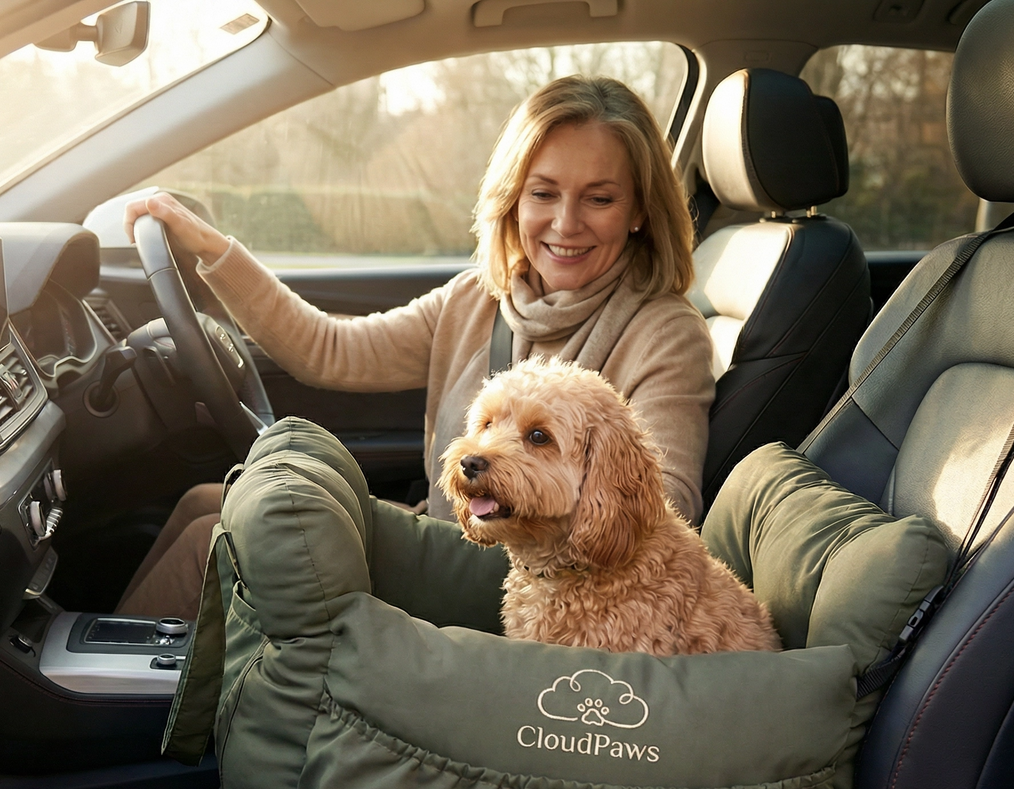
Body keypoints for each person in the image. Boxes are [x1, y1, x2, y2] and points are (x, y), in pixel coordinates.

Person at [117, 74, 716, 619]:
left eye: (600, 198)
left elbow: (663, 512)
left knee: (222, 539)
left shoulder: (664, 331)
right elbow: (328, 348)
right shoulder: (478, 297)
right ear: (514, 198)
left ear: (638, 210)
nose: (564, 223)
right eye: (543, 193)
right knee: (207, 500)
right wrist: (211, 252)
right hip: (450, 530)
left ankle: (83, 717)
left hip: (534, 578)